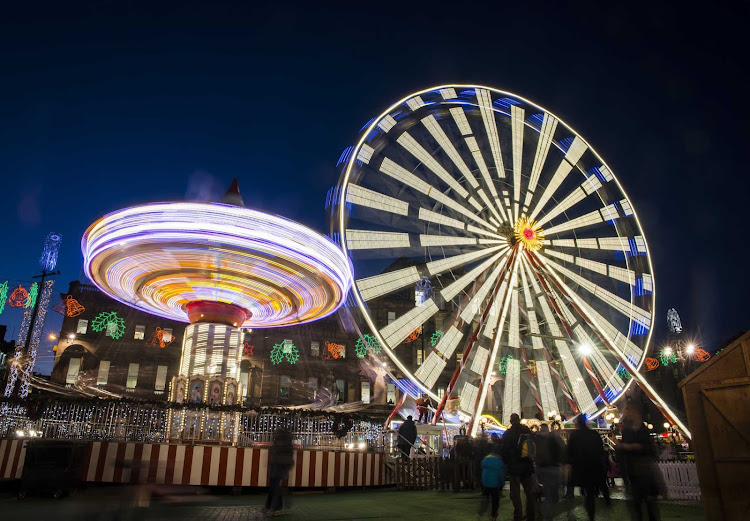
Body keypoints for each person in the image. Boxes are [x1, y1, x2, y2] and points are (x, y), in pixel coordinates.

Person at [617, 404, 662, 521]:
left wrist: (628, 447)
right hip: (633, 473)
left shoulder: (642, 430)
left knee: (648, 505)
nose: (625, 415)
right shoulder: (628, 431)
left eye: (628, 412)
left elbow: (647, 448)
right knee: (637, 507)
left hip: (643, 472)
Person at [566, 415, 605, 521]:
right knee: (590, 492)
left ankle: (584, 509)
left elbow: (569, 453)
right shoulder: (594, 434)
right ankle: (591, 513)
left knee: (585, 490)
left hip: (580, 468)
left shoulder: (574, 436)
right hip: (593, 467)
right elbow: (601, 451)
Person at [501, 413, 536, 521]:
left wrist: (507, 462)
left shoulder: (508, 433)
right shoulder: (527, 431)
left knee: (515, 493)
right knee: (529, 492)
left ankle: (518, 515)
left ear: (511, 421)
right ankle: (531, 514)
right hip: (527, 465)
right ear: (519, 420)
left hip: (514, 467)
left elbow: (504, 450)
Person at [535, 423, 565, 521]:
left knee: (546, 492)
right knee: (553, 491)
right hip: (554, 467)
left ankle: (546, 514)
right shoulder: (554, 436)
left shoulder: (536, 438)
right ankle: (549, 513)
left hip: (541, 467)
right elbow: (563, 448)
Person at [265, 427, 294, 516]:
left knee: (274, 486)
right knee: (275, 485)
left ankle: (274, 507)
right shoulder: (287, 441)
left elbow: (277, 452)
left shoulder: (279, 441)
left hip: (278, 464)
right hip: (282, 464)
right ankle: (274, 506)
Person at [479, 444, 507, 521]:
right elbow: (501, 474)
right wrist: (502, 483)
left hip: (485, 483)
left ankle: (481, 512)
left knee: (485, 498)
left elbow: (483, 472)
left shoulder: (486, 459)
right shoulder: (499, 461)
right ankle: (493, 515)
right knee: (495, 501)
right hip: (495, 484)